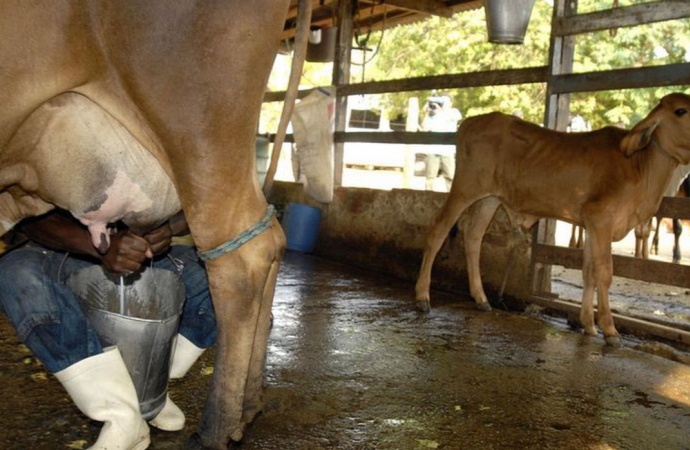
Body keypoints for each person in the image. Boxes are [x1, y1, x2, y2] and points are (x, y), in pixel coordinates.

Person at [0, 208, 217, 450]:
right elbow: (25, 217)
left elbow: (198, 202)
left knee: (225, 273)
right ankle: (122, 416)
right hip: (64, 251)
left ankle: (150, 392)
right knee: (16, 273)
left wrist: (167, 229)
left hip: (140, 253)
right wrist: (98, 246)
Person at [420, 93, 462, 191]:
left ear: (450, 103)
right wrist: (426, 113)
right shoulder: (433, 113)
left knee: (451, 176)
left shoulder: (453, 112)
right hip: (433, 150)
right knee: (430, 177)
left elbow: (458, 117)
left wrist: (441, 110)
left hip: (447, 151)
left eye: (445, 101)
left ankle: (450, 197)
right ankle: (428, 195)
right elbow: (425, 128)